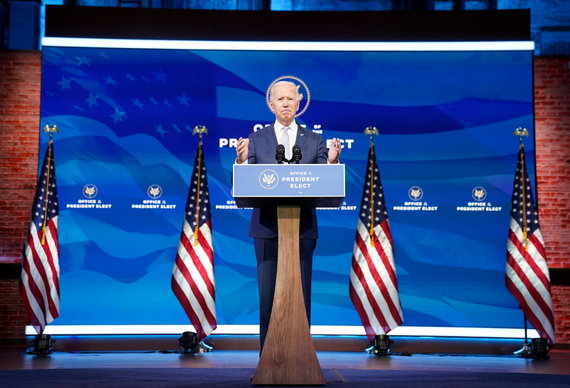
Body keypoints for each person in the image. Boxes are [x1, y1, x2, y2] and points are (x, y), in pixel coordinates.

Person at [235, 80, 342, 350]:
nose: (285, 103)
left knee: (300, 294)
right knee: (268, 296)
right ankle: (267, 359)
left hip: (302, 228)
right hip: (267, 227)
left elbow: (323, 179)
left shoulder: (315, 140)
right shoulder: (256, 139)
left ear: (299, 104)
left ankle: (300, 356)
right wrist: (241, 161)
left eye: (290, 99)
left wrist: (330, 162)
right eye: (280, 99)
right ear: (271, 105)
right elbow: (248, 180)